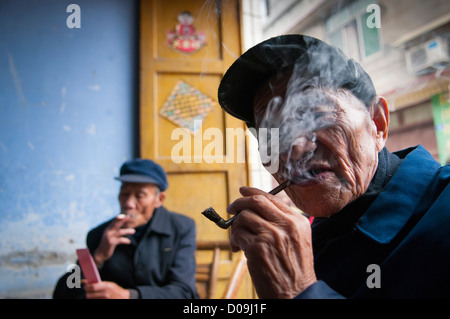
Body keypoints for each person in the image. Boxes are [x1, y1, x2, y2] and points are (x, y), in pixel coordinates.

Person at [217, 34, 450, 298]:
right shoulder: (308, 242)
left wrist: (298, 290)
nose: (295, 148)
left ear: (378, 123)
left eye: (316, 115)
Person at [53, 159, 198, 299]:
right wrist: (97, 258)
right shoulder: (99, 234)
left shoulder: (181, 228)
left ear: (159, 199)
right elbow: (62, 294)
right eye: (124, 193)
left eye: (140, 195)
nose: (128, 203)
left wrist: (128, 296)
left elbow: (184, 293)